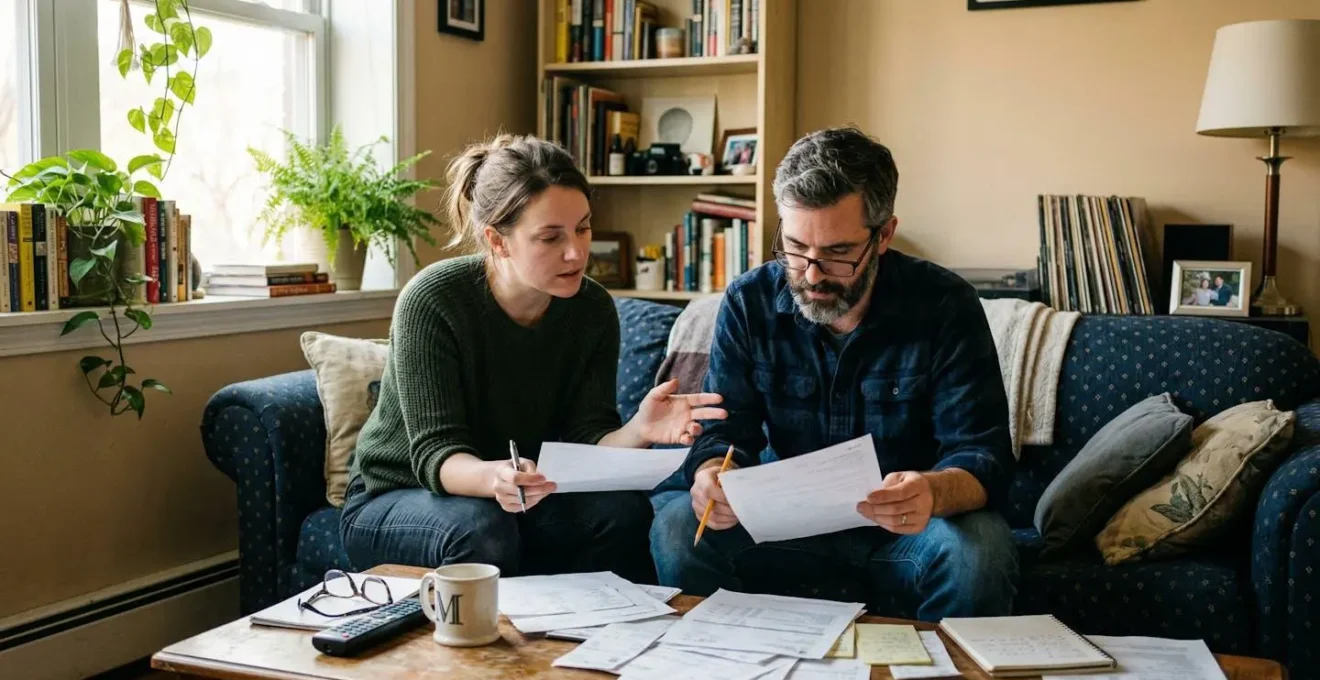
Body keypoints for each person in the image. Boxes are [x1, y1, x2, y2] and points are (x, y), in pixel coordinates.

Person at [649, 126, 1019, 620]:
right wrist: (713, 476)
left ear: (884, 234)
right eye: (796, 246)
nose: (812, 273)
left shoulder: (945, 305)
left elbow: (983, 457)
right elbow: (724, 433)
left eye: (838, 252)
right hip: (784, 532)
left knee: (982, 552)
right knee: (676, 528)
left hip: (905, 536)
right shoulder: (748, 301)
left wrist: (933, 490)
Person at [340, 134, 726, 584]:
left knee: (621, 510)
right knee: (481, 527)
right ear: (497, 241)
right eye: (550, 237)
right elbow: (436, 455)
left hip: (518, 493)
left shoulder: (591, 308)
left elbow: (587, 438)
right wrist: (497, 478)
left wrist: (639, 430)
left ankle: (610, 646)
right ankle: (494, 656)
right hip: (401, 494)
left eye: (583, 228)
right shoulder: (433, 300)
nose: (576, 252)